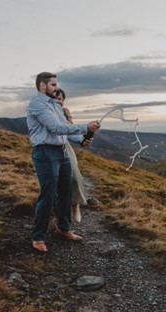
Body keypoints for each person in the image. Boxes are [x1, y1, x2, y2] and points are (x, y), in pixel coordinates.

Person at [26, 72, 100, 252]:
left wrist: (81, 139)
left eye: (56, 84)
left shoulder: (55, 105)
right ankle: (38, 237)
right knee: (48, 194)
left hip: (61, 152)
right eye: (52, 85)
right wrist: (85, 127)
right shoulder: (37, 104)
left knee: (65, 192)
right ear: (42, 86)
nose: (56, 88)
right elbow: (56, 127)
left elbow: (65, 131)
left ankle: (63, 228)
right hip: (45, 153)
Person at [55, 88, 86, 223]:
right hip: (49, 149)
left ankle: (75, 205)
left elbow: (71, 133)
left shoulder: (62, 115)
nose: (59, 101)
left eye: (62, 99)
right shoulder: (47, 114)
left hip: (65, 148)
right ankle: (58, 219)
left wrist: (83, 140)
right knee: (55, 185)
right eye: (57, 98)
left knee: (74, 177)